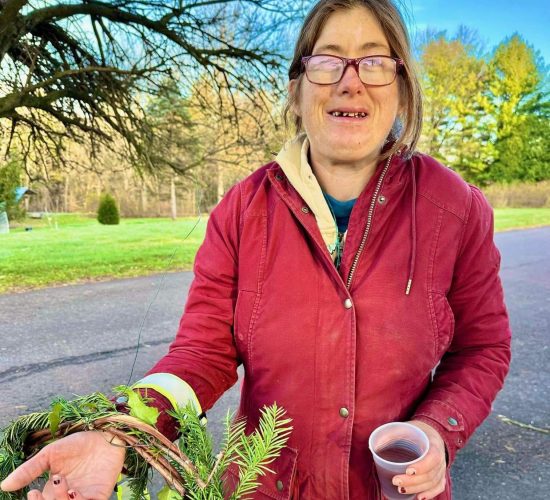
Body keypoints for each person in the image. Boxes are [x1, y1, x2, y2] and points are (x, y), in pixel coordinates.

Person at [1, 1, 511, 499]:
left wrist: (438, 431)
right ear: (297, 89)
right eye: (327, 60)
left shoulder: (457, 209)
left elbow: (483, 349)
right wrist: (120, 431)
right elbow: (202, 355)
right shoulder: (242, 212)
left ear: (401, 89)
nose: (350, 80)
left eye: (375, 62)